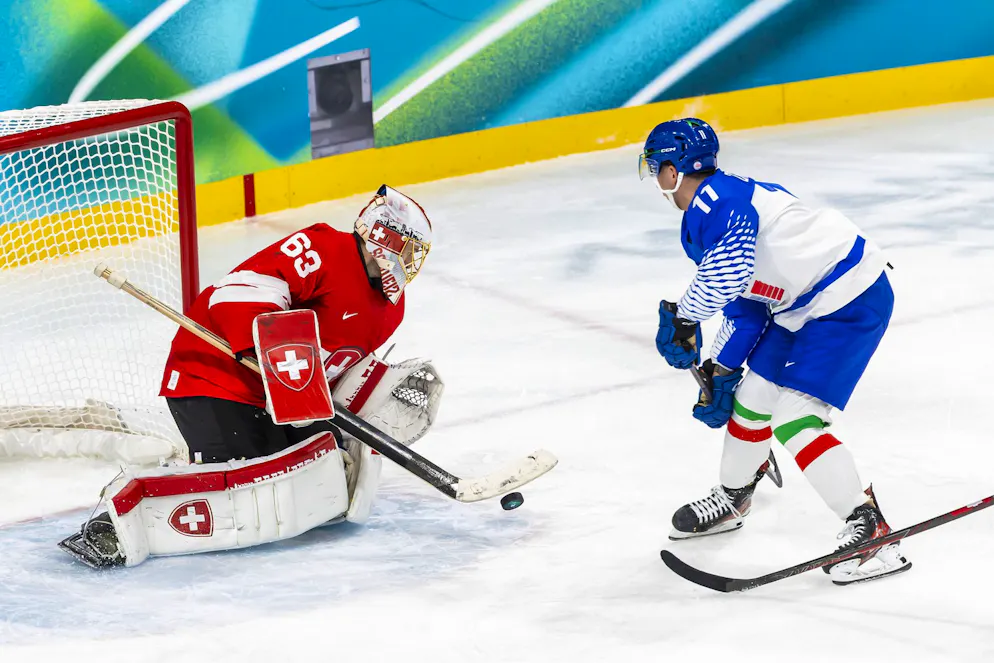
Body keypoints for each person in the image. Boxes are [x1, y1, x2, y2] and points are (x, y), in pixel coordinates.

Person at [59, 184, 444, 568]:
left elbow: (335, 369)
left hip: (274, 400)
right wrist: (266, 351)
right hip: (212, 378)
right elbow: (236, 292)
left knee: (314, 467)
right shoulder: (325, 249)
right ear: (382, 236)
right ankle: (116, 522)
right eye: (409, 249)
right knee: (248, 481)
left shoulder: (391, 309)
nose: (411, 262)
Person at [642, 118, 910, 585]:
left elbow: (727, 273)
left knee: (794, 417)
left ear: (671, 171)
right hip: (797, 305)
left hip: (847, 297)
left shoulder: (720, 203)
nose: (655, 179)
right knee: (751, 402)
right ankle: (734, 498)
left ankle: (872, 531)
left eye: (653, 167)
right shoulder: (711, 209)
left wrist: (685, 316)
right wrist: (721, 370)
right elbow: (746, 306)